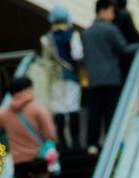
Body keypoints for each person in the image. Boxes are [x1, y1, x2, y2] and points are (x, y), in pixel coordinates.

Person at [80, 0, 138, 152]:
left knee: (94, 113)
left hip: (93, 79)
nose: (112, 16)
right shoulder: (111, 29)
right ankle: (111, 143)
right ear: (103, 11)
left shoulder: (86, 33)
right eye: (111, 12)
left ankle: (92, 144)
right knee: (110, 112)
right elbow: (124, 48)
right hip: (111, 78)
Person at [0, 74, 61, 178]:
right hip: (39, 159)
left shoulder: (5, 113)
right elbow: (50, 135)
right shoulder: (37, 109)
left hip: (18, 161)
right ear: (28, 89)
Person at [38, 7, 84, 151]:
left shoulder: (47, 38)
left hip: (54, 77)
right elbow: (77, 55)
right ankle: (75, 142)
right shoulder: (72, 35)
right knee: (72, 106)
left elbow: (45, 60)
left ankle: (62, 142)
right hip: (71, 75)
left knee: (59, 108)